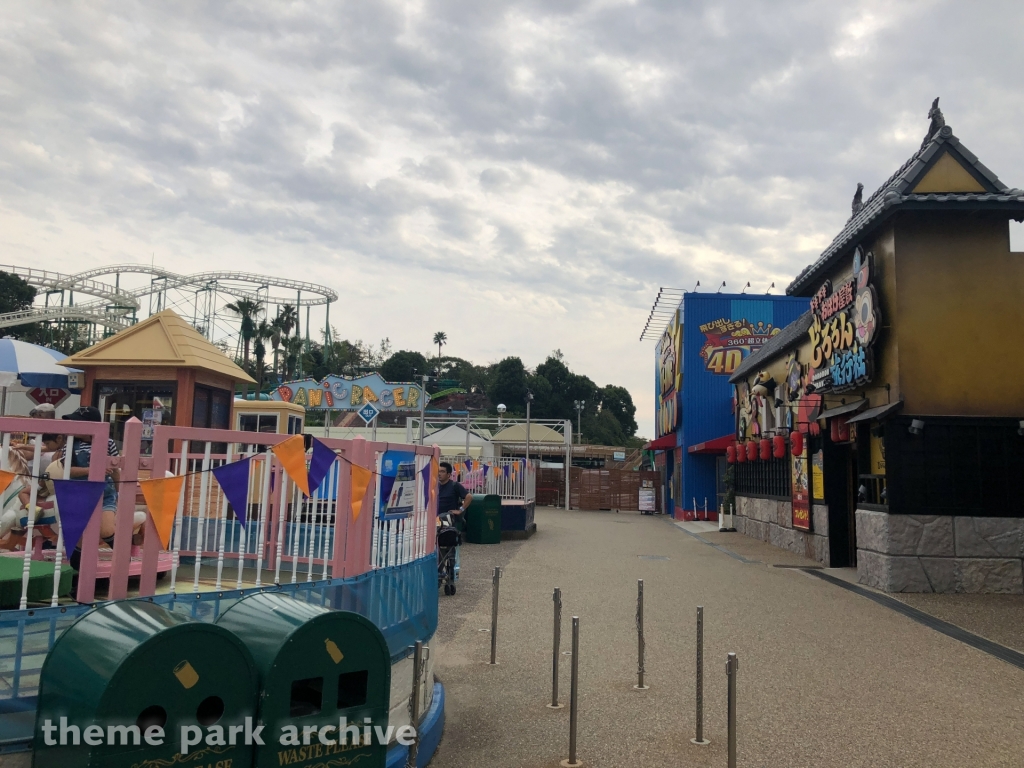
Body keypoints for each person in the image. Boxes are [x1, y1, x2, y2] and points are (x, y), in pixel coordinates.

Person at [60, 406, 120, 570]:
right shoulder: (70, 444)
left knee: (107, 529)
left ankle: (123, 558)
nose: (72, 425)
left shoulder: (108, 442)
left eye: (76, 422)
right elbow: (68, 470)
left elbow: (115, 469)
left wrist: (121, 490)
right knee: (78, 536)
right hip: (79, 493)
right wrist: (92, 470)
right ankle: (76, 574)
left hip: (105, 492)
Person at [437, 461, 472, 527]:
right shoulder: (435, 486)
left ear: (448, 475)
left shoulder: (454, 485)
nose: (439, 474)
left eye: (442, 472)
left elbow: (469, 497)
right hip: (437, 520)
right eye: (438, 471)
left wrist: (460, 510)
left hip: (450, 522)